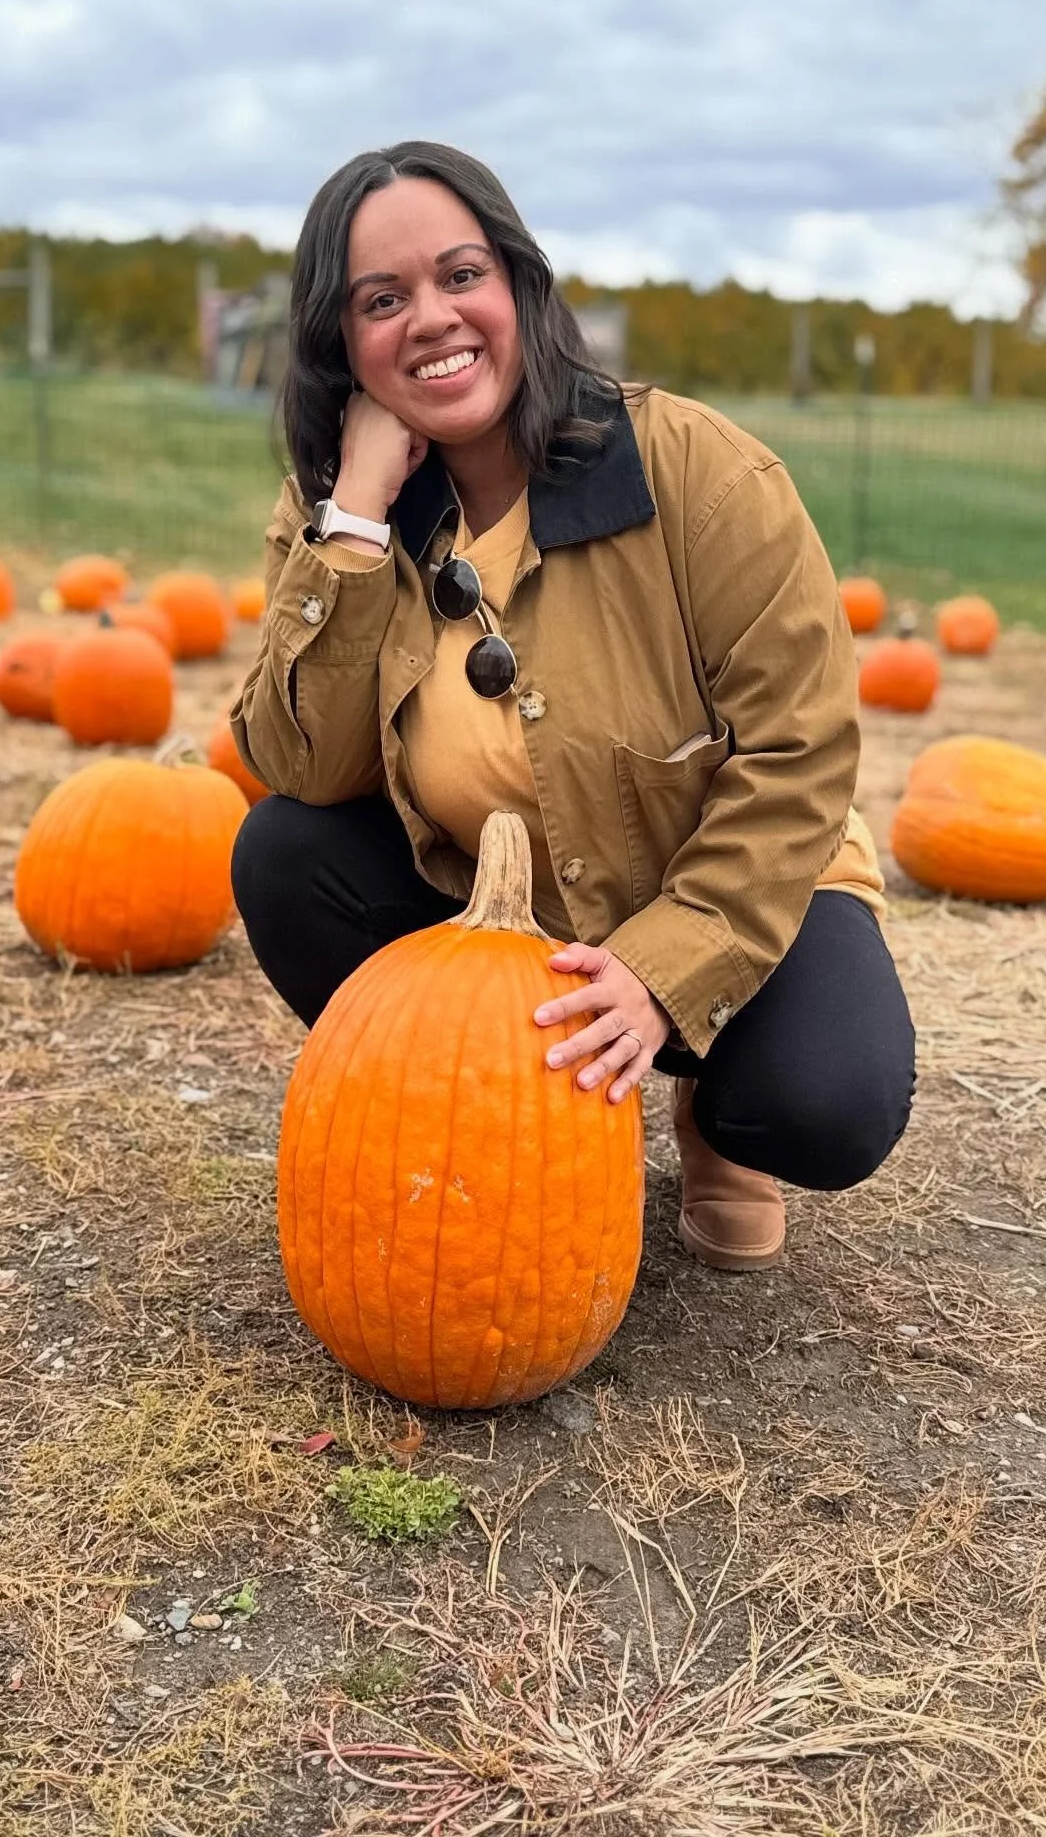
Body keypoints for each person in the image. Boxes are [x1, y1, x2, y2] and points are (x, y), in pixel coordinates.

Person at [229, 140, 914, 1272]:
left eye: (461, 276)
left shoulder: (696, 472)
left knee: (820, 1101)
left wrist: (662, 969)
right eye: (382, 300)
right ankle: (506, 1125)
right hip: (503, 909)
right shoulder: (334, 512)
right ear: (340, 344)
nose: (434, 320)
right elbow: (306, 768)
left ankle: (712, 1125)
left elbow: (799, 752)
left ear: (516, 286)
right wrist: (353, 520)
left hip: (733, 882)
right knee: (284, 852)